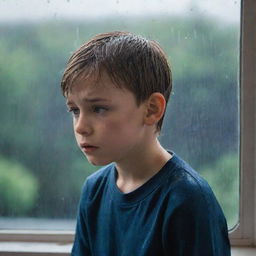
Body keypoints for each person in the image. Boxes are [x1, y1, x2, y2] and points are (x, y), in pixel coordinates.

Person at [61, 31, 231, 256]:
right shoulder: (94, 191)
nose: (80, 126)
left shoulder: (187, 199)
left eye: (99, 108)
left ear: (151, 109)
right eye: (74, 110)